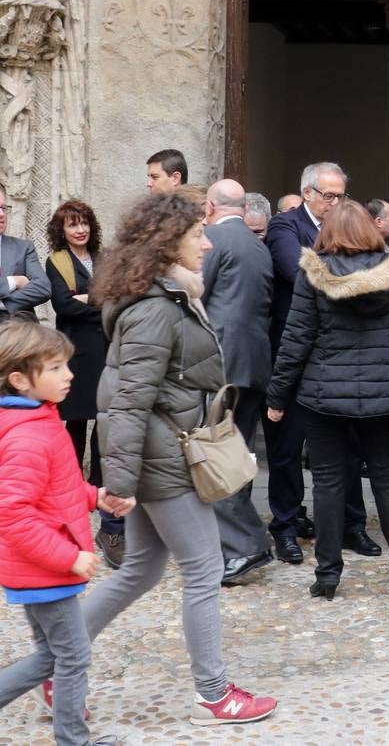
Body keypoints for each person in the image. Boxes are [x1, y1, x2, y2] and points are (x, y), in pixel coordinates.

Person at [85, 192, 277, 727]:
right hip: (162, 462)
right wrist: (119, 482)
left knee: (141, 572)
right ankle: (215, 693)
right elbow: (125, 401)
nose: (208, 242)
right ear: (169, 243)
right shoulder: (152, 310)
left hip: (162, 454)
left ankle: (59, 658)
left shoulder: (168, 298)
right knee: (204, 568)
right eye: (198, 234)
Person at [266, 200, 389, 600]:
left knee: (326, 482)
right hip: (383, 395)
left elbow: (296, 341)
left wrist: (277, 395)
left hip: (324, 395)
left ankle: (327, 575)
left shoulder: (312, 274)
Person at [0, 321, 134, 746]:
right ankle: (73, 741)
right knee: (71, 656)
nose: (69, 374)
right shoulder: (28, 435)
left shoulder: (40, 419)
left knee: (52, 655)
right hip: (43, 569)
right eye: (55, 367)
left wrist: (97, 497)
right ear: (21, 379)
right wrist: (68, 557)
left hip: (35, 568)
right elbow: (14, 514)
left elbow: (55, 488)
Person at [265, 162, 378, 563]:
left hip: (340, 357)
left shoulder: (348, 226)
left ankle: (352, 526)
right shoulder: (285, 227)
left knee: (348, 447)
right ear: (307, 192)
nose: (334, 203)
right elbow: (298, 276)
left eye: (340, 195)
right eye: (327, 195)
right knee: (288, 446)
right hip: (296, 352)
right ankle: (286, 525)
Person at [202, 180, 275, 586]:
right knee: (238, 454)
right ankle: (230, 544)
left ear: (210, 207)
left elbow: (195, 295)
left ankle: (246, 545)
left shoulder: (212, 239)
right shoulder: (256, 245)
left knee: (215, 458)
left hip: (220, 365)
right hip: (253, 363)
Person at [44, 200, 124, 569]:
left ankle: (96, 481)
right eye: (72, 225)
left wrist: (87, 299)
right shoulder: (56, 261)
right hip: (76, 350)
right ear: (62, 230)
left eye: (84, 224)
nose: (80, 230)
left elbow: (117, 297)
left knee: (101, 415)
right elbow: (63, 306)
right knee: (75, 419)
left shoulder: (105, 258)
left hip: (105, 345)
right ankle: (73, 483)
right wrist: (96, 300)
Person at [0, 184, 52, 321]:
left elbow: (43, 288)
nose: (1, 214)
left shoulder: (23, 248)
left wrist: (4, 303)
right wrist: (14, 281)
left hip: (20, 331)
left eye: (4, 208)